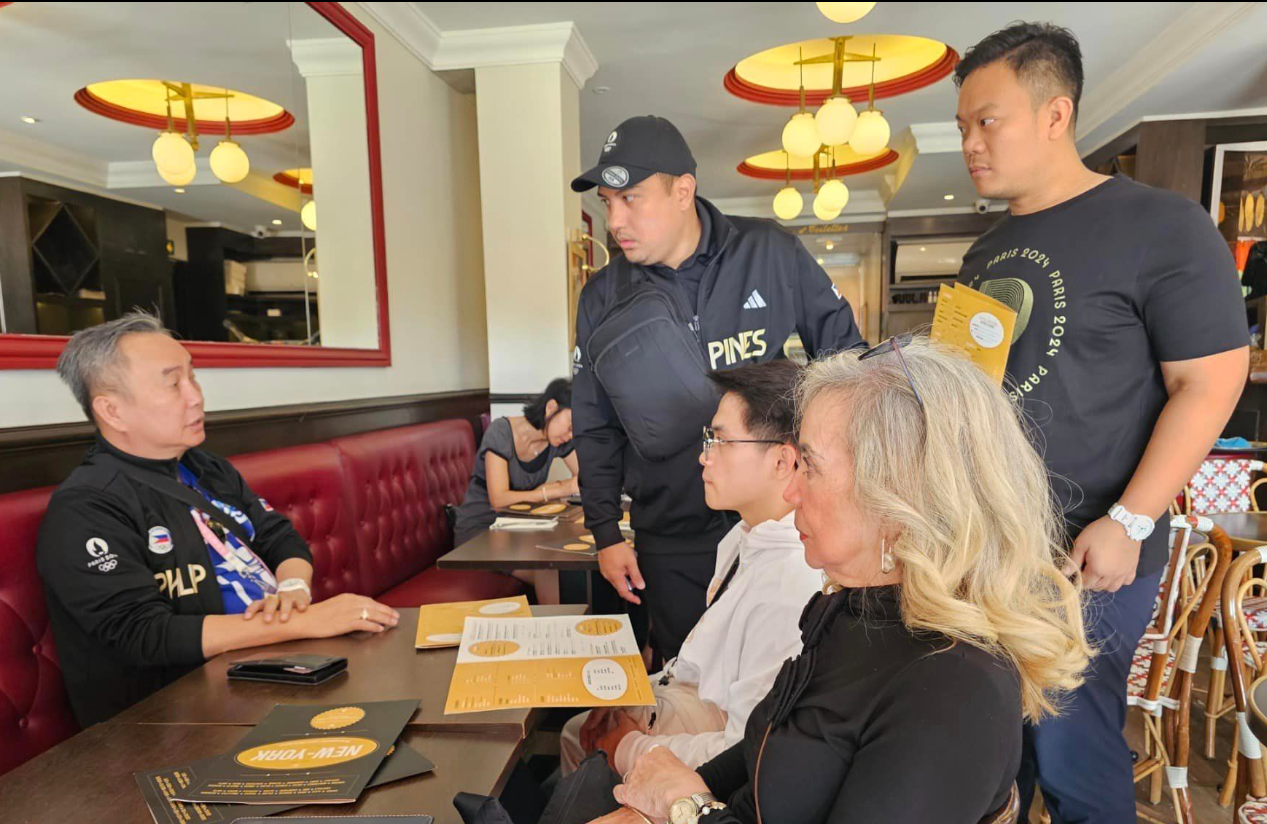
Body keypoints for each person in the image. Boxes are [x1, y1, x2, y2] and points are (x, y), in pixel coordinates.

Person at [596, 338, 1091, 824]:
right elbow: (764, 749)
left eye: (808, 466)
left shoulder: (953, 689)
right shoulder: (850, 609)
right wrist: (673, 786)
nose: (790, 489)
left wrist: (689, 809)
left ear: (896, 497)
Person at [953, 23, 1248, 822]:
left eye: (988, 121)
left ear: (1056, 114)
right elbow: (971, 398)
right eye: (962, 127)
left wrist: (1129, 518)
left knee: (1072, 751)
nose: (970, 144)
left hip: (1090, 549)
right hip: (989, 550)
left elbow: (1208, 382)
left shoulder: (1160, 225)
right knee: (990, 751)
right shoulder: (985, 253)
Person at [571, 114, 866, 660]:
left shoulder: (770, 252)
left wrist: (846, 485)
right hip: (671, 535)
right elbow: (594, 425)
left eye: (631, 198)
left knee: (787, 672)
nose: (614, 219)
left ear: (683, 190)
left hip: (783, 523)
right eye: (607, 202)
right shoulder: (602, 296)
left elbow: (847, 363)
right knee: (692, 678)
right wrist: (606, 532)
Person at [37, 312, 400, 727]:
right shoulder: (87, 508)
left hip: (276, 673)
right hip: (173, 723)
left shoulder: (205, 468)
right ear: (112, 411)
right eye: (173, 384)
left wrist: (294, 588)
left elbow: (278, 536)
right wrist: (306, 620)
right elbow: (143, 636)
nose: (195, 397)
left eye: (194, 378)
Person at [559, 360, 820, 777]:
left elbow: (744, 749)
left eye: (720, 441)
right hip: (685, 695)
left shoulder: (791, 578)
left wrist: (629, 744)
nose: (704, 457)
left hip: (716, 744)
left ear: (782, 461)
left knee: (578, 737)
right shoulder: (742, 538)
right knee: (580, 724)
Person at [453, 378, 580, 603]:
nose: (570, 435)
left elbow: (585, 477)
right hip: (483, 531)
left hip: (519, 528)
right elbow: (499, 499)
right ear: (551, 408)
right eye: (570, 425)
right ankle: (553, 636)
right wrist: (554, 489)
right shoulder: (501, 432)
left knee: (569, 564)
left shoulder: (558, 440)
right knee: (548, 568)